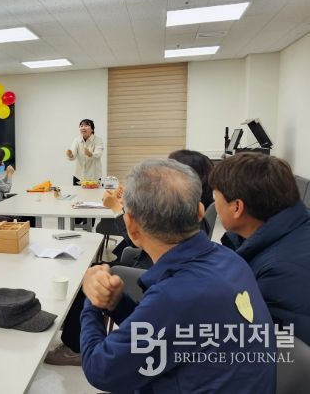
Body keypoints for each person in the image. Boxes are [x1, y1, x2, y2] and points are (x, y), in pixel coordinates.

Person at [80, 158, 275, 393]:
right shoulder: (230, 260)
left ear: (131, 226)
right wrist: (116, 303)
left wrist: (92, 299)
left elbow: (100, 370)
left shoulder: (176, 295)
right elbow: (163, 328)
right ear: (200, 211)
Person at [210, 152, 310, 344]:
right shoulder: (296, 226)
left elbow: (280, 351)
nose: (215, 205)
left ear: (237, 207)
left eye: (216, 197)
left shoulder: (280, 273)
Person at [66, 119, 104, 185]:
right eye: (81, 126)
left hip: (94, 177)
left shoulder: (98, 140)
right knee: (77, 192)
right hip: (78, 177)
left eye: (86, 125)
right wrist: (70, 155)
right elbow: (73, 157)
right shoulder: (76, 140)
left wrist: (90, 154)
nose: (83, 127)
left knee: (94, 192)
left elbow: (98, 154)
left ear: (92, 129)